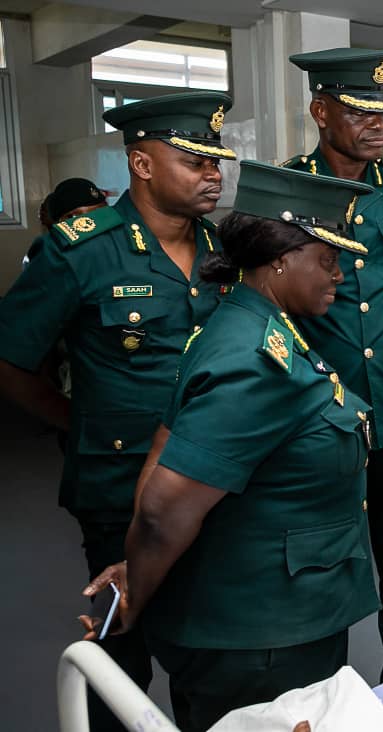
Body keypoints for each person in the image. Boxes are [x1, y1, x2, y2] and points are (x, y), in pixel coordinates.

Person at [83, 161, 381, 732]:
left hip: (270, 617)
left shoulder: (245, 326)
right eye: (328, 258)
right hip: (261, 637)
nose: (339, 274)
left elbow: (166, 444)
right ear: (279, 258)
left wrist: (135, 565)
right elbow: (164, 508)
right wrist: (138, 589)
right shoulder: (257, 361)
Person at [0, 91, 235, 732]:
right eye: (194, 159)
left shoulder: (226, 250)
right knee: (122, 655)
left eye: (216, 159)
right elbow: (12, 359)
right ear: (142, 163)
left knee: (207, 654)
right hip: (119, 488)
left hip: (212, 482)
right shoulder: (81, 249)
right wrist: (75, 423)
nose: (213, 173)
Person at [284, 47, 383, 681]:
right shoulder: (288, 186)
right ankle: (327, 692)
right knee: (325, 557)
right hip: (323, 409)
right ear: (321, 111)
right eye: (359, 112)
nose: (378, 125)